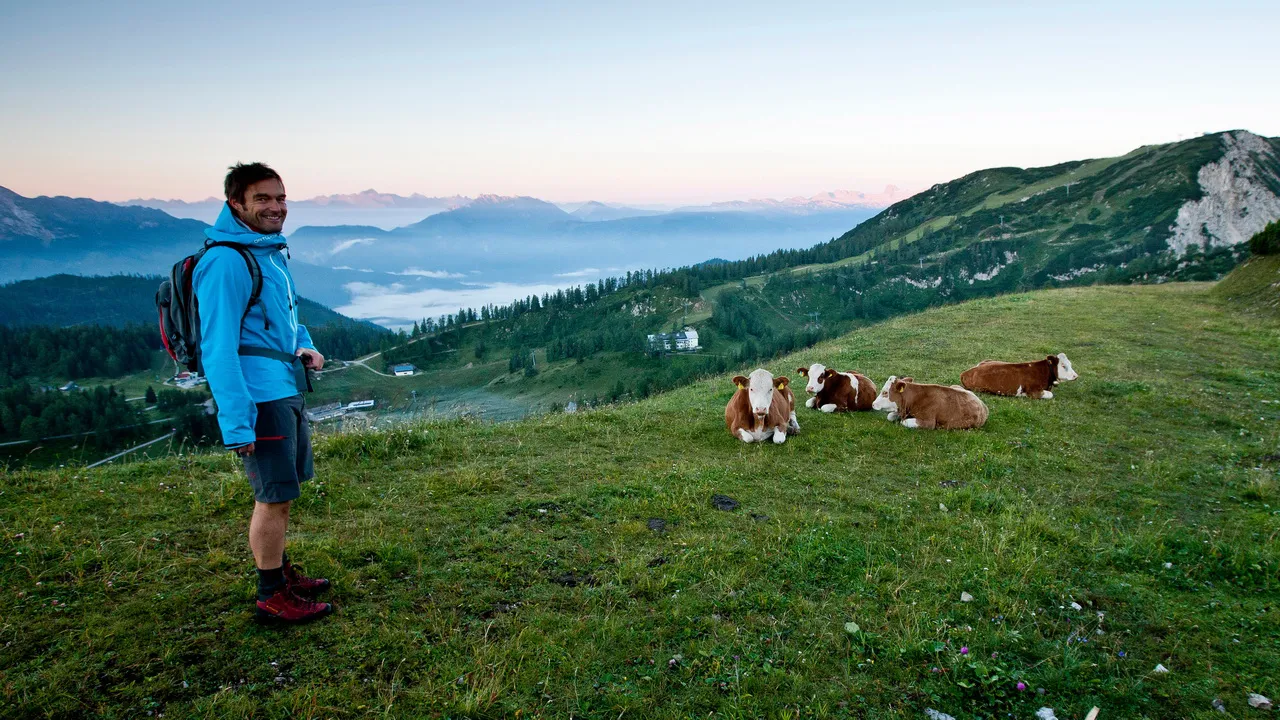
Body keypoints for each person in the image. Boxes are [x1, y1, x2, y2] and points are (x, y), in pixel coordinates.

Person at [193, 162, 334, 623]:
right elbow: (217, 349)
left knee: (283, 491)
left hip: (283, 388)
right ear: (236, 204)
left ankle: (279, 571)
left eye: (280, 198)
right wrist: (236, 422)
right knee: (272, 496)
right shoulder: (226, 261)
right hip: (260, 400)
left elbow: (285, 320)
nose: (276, 207)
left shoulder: (267, 253)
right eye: (263, 200)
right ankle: (270, 594)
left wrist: (304, 345)